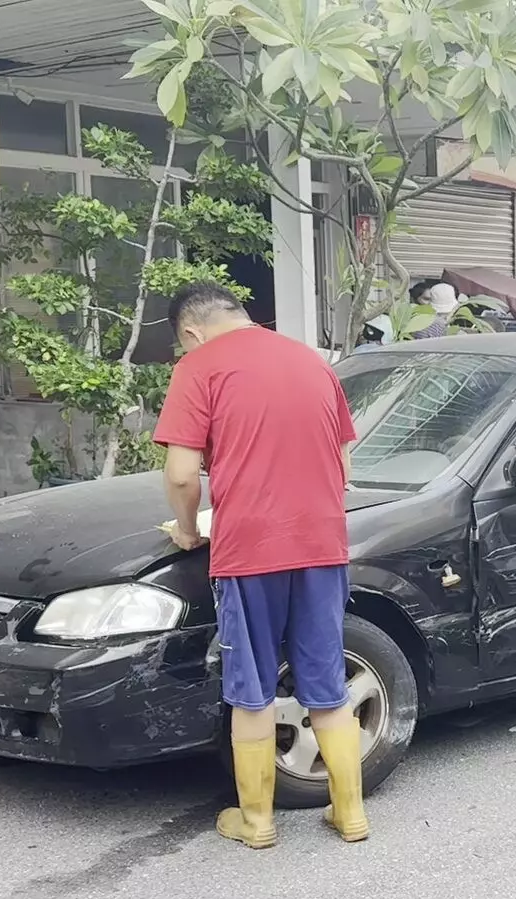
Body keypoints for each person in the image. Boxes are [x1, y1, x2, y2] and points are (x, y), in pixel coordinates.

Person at [153, 280, 368, 851]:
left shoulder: (199, 368)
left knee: (250, 689)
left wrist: (186, 525)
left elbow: (180, 475)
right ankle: (349, 814)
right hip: (323, 544)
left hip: (250, 551)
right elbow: (344, 457)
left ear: (192, 332)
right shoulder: (310, 361)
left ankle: (257, 821)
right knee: (326, 681)